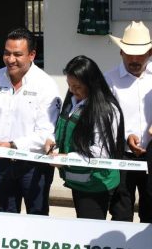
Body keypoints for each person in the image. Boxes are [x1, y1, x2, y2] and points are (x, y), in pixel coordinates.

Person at [0, 27, 61, 214]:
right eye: (7, 53)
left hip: (35, 164)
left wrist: (12, 144)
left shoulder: (46, 84)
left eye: (17, 54)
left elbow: (47, 132)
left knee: (36, 217)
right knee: (6, 216)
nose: (10, 59)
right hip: (3, 162)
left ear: (32, 55)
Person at [45, 55, 125, 220]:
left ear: (91, 84)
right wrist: (52, 141)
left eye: (77, 86)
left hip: (95, 184)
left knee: (92, 231)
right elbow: (63, 130)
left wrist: (65, 158)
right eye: (69, 85)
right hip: (79, 180)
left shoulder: (105, 110)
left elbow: (99, 152)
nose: (73, 90)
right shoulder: (73, 103)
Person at [105, 21, 152, 223]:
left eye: (140, 53)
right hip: (122, 156)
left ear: (150, 52)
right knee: (121, 212)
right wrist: (126, 137)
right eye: (129, 53)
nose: (134, 58)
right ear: (121, 52)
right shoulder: (109, 80)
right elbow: (106, 119)